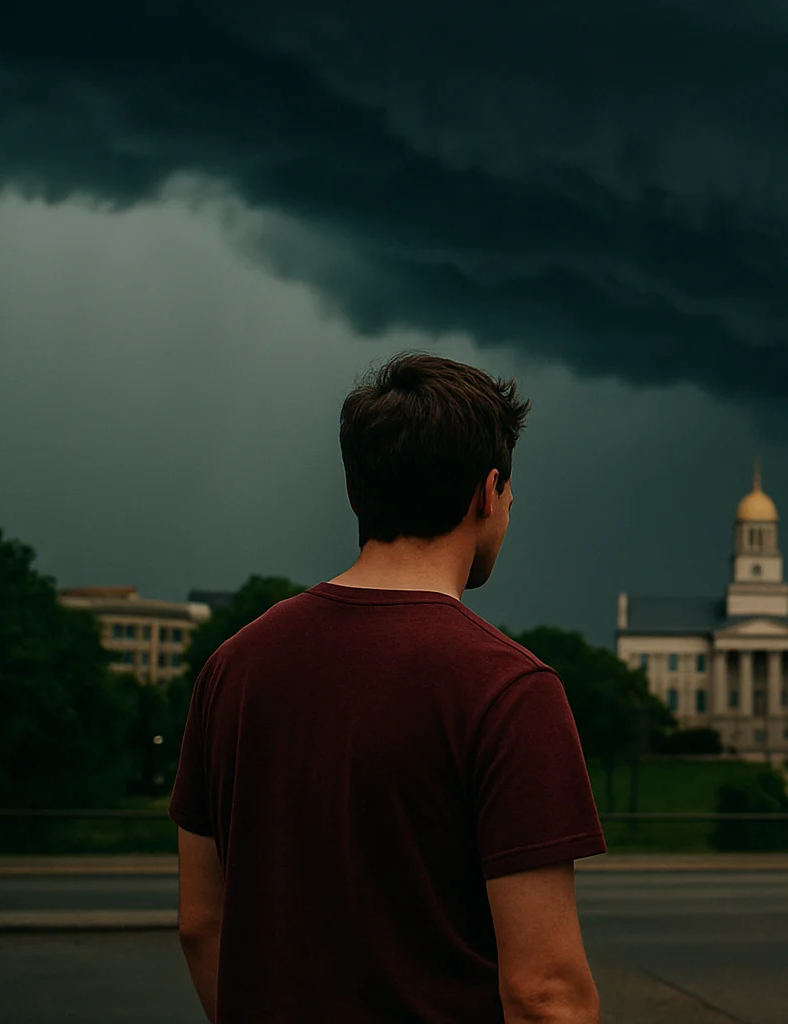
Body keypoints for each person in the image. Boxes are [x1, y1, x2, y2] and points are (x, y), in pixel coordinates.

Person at [170, 353, 606, 1023]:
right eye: (510, 496)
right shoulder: (510, 688)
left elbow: (201, 922)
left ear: (356, 492)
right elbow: (545, 993)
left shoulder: (233, 666)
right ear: (487, 494)